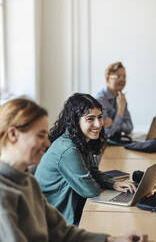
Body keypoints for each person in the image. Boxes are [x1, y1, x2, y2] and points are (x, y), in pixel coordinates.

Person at [0, 97, 148, 242]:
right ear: (13, 134)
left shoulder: (28, 181)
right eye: (40, 136)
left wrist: (113, 239)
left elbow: (61, 231)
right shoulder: (4, 195)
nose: (47, 143)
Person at [35, 93, 136, 226]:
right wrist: (101, 183)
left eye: (100, 117)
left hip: (73, 206)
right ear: (76, 121)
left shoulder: (81, 140)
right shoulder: (68, 150)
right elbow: (90, 190)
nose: (98, 124)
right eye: (90, 119)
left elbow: (92, 171)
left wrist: (113, 184)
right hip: (57, 220)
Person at [96, 62, 133, 139]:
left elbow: (130, 127)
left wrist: (113, 123)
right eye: (118, 76)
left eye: (124, 76)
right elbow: (107, 133)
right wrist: (120, 110)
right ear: (107, 79)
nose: (122, 79)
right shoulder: (100, 100)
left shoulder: (121, 98)